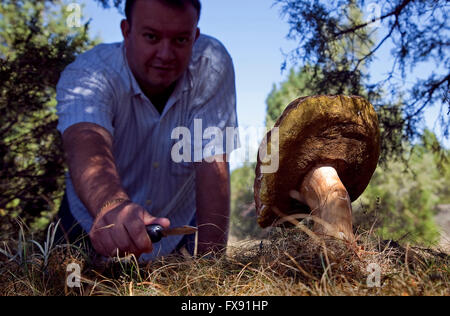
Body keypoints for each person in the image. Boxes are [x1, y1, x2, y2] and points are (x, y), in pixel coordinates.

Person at [54, 0, 239, 261]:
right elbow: (85, 143)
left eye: (180, 40)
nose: (165, 54)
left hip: (174, 231)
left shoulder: (213, 64)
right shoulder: (88, 72)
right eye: (151, 37)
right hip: (85, 226)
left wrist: (213, 271)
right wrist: (111, 206)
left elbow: (213, 163)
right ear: (126, 31)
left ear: (195, 37)